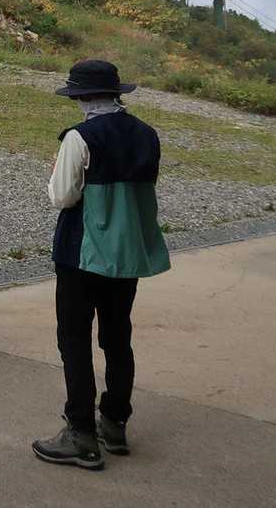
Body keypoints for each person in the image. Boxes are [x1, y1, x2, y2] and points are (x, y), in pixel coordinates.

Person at [32, 59, 170, 470]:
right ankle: (114, 421)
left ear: (81, 97)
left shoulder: (79, 137)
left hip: (82, 251)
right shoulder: (147, 134)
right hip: (127, 251)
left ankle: (80, 434)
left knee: (74, 339)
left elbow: (62, 196)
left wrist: (56, 171)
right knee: (117, 336)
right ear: (115, 93)